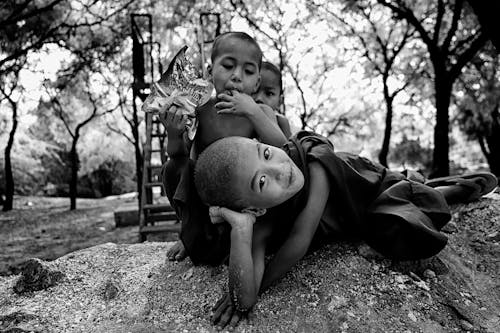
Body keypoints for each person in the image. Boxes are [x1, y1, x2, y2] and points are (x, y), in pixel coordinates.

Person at [193, 131, 498, 330]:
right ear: (253, 210)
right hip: (349, 217)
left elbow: (300, 240)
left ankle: (445, 190)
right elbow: (243, 301)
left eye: (267, 154)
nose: (279, 170)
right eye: (261, 182)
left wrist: (258, 286)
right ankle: (421, 184)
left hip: (369, 189)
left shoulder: (314, 164)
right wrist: (240, 230)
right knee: (383, 222)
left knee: (393, 222)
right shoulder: (258, 223)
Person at [161, 32, 288, 265]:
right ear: (210, 72)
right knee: (172, 169)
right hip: (208, 199)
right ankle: (191, 235)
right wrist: (173, 133)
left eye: (248, 72)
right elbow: (178, 157)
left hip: (247, 199)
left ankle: (248, 237)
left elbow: (285, 150)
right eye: (228, 66)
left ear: (257, 82)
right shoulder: (199, 111)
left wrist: (252, 112)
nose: (237, 76)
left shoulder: (261, 113)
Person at [253, 61, 292, 138]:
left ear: (279, 102)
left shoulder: (281, 124)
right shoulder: (239, 119)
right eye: (254, 91)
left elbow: (288, 148)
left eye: (269, 93)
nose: (259, 98)